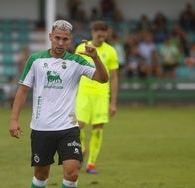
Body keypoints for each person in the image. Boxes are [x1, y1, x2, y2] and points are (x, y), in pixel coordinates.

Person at [9, 20, 108, 188]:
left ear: (70, 40)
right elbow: (23, 90)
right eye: (57, 38)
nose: (61, 43)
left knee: (72, 172)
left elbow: (103, 79)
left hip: (68, 127)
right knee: (41, 175)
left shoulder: (77, 61)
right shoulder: (35, 60)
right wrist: (14, 119)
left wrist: (96, 58)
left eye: (65, 39)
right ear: (50, 37)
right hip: (42, 127)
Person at [75, 20, 118, 174]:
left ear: (106, 34)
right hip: (83, 93)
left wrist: (113, 102)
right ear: (92, 33)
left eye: (103, 34)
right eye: (98, 33)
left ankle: (91, 164)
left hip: (101, 95)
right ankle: (83, 148)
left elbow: (114, 78)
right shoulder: (81, 48)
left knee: (98, 130)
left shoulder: (111, 51)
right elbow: (74, 71)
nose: (101, 37)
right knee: (77, 127)